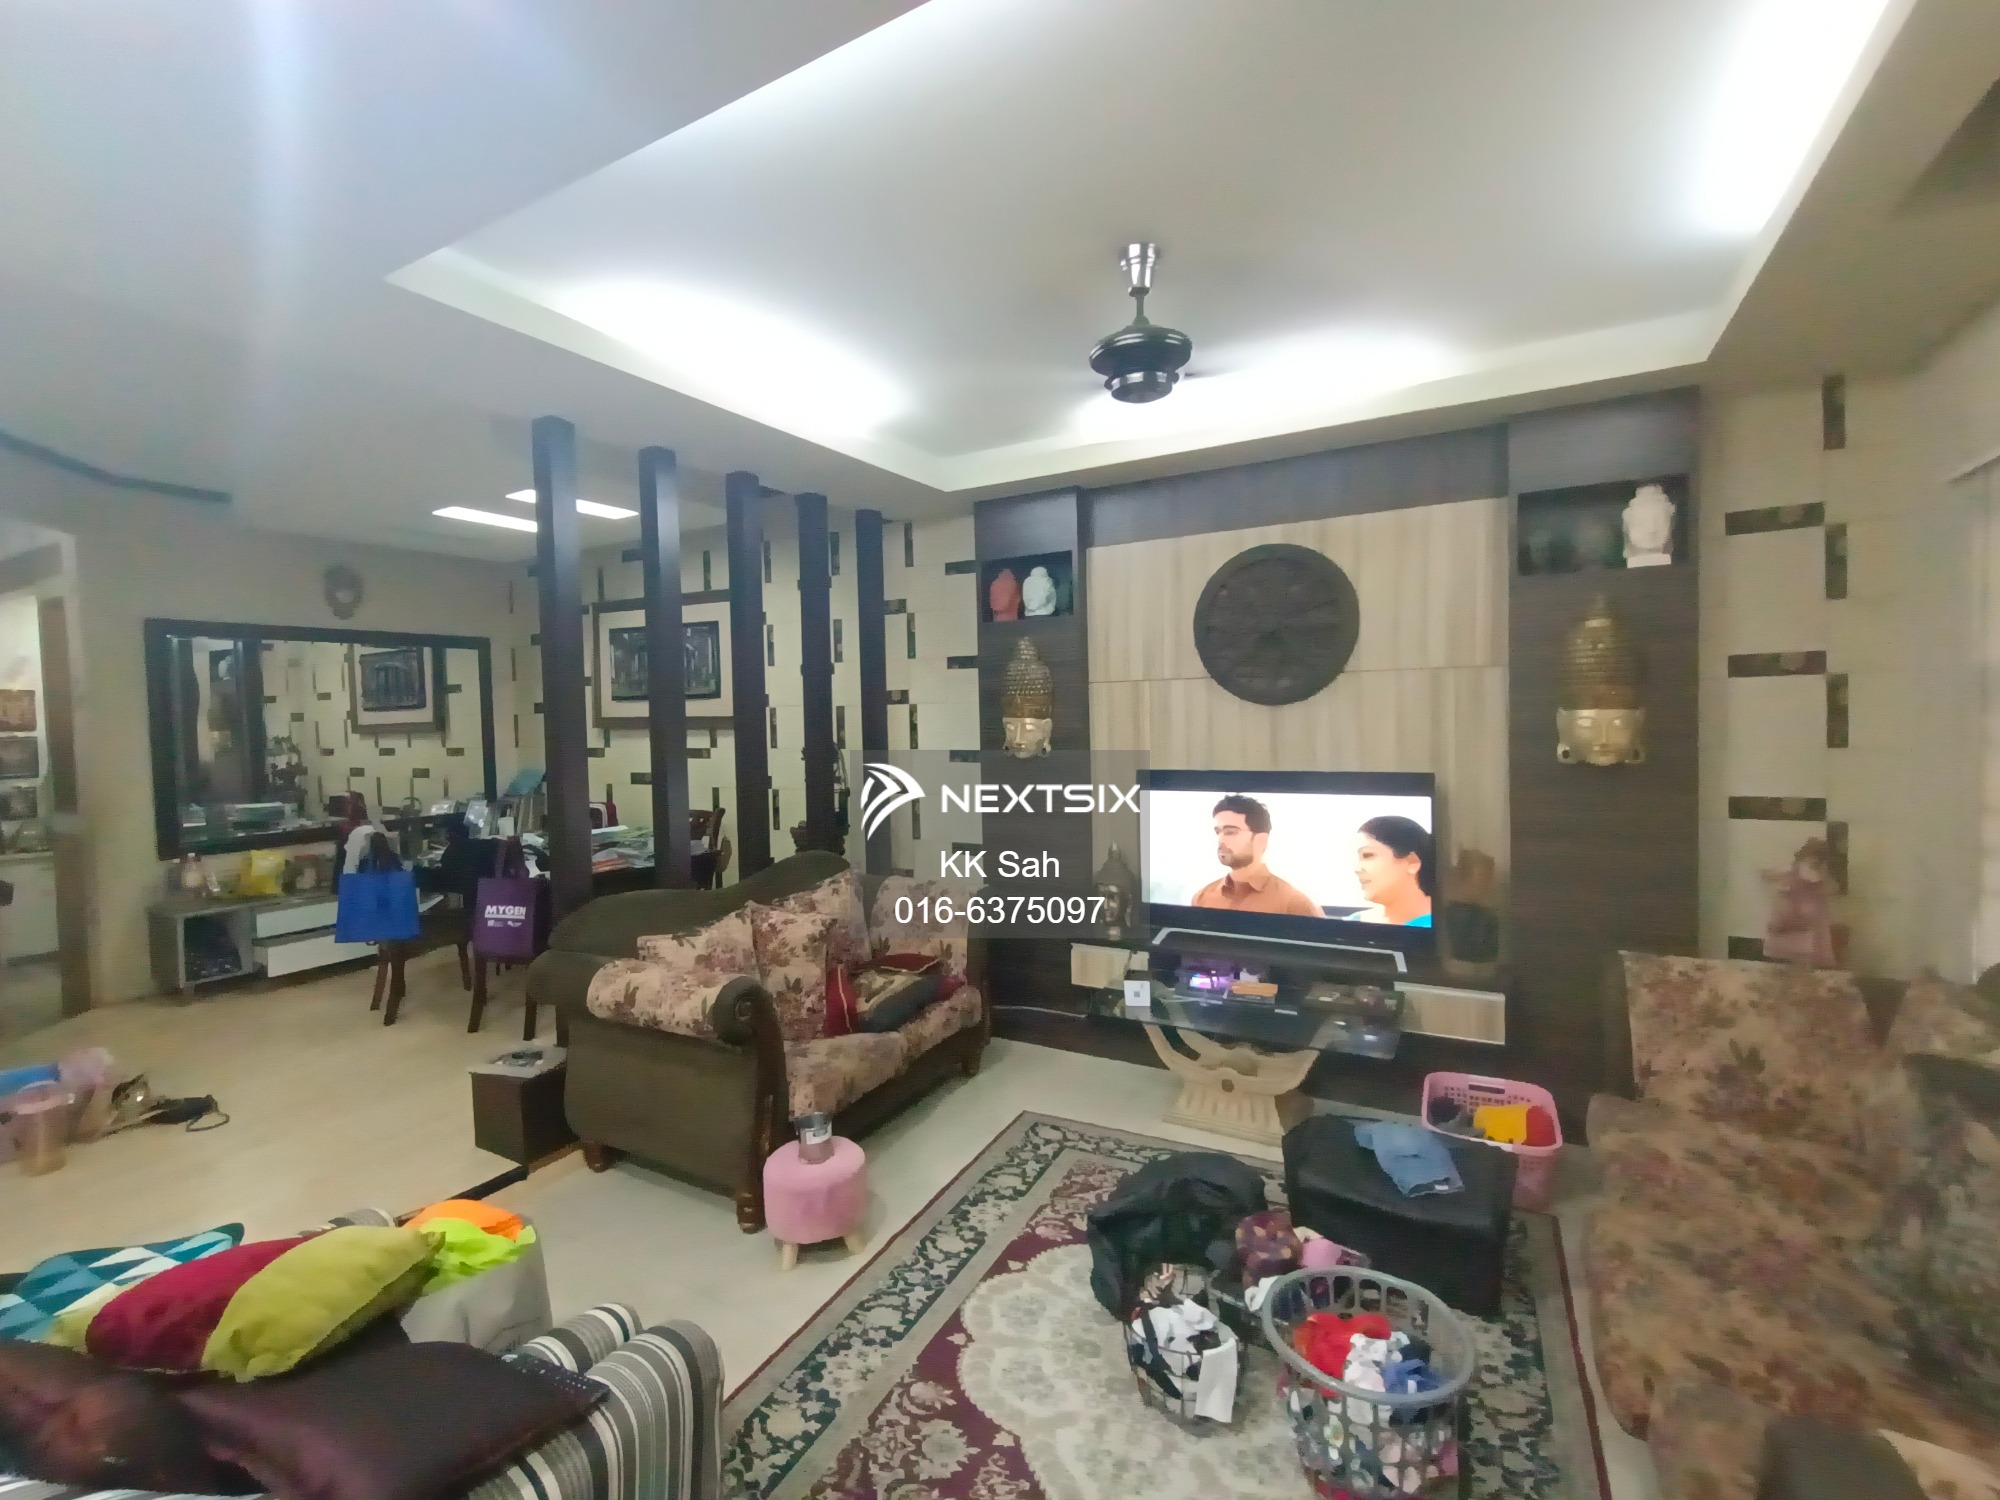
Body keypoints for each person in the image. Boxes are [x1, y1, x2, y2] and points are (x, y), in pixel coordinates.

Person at [1190, 795, 1322, 916]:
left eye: (1230, 832)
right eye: (1218, 832)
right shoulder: (1202, 898)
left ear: (1261, 840)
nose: (1221, 840)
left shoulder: (1295, 904)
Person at [1351, 815, 1434, 927]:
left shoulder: (1446, 928)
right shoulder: (1354, 921)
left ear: (1412, 862)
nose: (1356, 869)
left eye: (1367, 855)